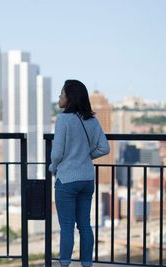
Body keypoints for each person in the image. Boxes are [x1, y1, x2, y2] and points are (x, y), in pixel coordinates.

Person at [49, 80, 110, 267]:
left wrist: (53, 167)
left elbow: (57, 152)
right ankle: (86, 264)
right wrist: (86, 156)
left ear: (69, 97)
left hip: (67, 179)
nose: (59, 97)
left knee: (67, 227)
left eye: (61, 93)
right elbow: (104, 148)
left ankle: (65, 264)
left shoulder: (63, 119)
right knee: (85, 225)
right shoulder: (92, 119)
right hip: (87, 179)